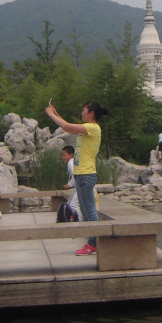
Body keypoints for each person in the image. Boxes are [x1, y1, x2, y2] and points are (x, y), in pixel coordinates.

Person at [45, 100, 107, 256]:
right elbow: (67, 125)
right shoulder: (87, 129)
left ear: (91, 114)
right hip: (81, 174)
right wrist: (56, 113)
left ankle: (93, 243)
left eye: (84, 110)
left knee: (90, 211)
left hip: (86, 174)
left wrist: (51, 115)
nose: (81, 113)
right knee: (85, 212)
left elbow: (66, 126)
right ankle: (91, 242)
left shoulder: (93, 128)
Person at [57, 145, 81, 222]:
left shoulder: (70, 162)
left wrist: (69, 185)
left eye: (64, 155)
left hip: (80, 187)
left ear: (71, 155)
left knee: (74, 205)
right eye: (62, 155)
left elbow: (75, 174)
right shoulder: (74, 162)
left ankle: (79, 221)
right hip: (79, 187)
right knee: (69, 203)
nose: (63, 157)